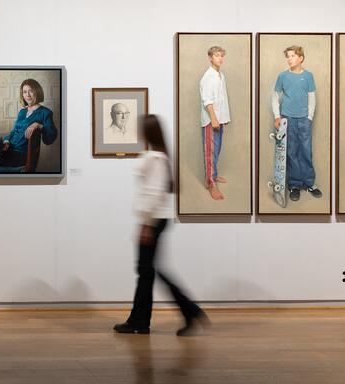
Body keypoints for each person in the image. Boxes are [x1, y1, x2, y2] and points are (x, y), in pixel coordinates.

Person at [114, 115, 209, 336]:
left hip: (154, 220)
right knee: (147, 271)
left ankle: (185, 311)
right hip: (155, 220)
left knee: (148, 271)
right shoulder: (160, 157)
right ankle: (141, 321)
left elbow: (154, 194)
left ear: (148, 133)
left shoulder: (156, 158)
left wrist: (146, 224)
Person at [271, 45, 322, 202]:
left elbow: (312, 97)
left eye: (292, 56)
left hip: (304, 119)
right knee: (291, 152)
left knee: (306, 151)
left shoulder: (308, 76)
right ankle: (294, 185)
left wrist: (309, 117)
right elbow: (274, 97)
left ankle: (309, 183)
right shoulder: (282, 76)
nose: (289, 58)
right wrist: (277, 117)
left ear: (301, 58)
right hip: (287, 119)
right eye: (287, 56)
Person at [0, 78, 58, 173]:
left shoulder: (45, 112)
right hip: (9, 150)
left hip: (21, 156)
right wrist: (6, 141)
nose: (28, 95)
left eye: (31, 91)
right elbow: (14, 132)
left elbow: (50, 138)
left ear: (37, 92)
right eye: (25, 92)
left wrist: (39, 125)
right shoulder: (22, 112)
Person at [199, 46, 231, 200]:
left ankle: (214, 175)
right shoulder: (208, 77)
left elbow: (222, 98)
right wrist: (214, 119)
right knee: (210, 152)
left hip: (220, 120)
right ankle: (211, 183)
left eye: (221, 56)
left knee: (217, 149)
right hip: (211, 122)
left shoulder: (220, 75)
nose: (220, 58)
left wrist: (223, 118)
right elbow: (208, 101)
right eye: (217, 55)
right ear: (210, 58)